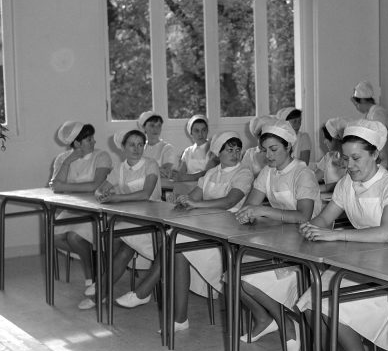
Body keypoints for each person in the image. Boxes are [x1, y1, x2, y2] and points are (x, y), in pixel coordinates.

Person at [297, 119, 388, 351]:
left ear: (375, 154)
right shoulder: (346, 183)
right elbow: (325, 218)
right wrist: (310, 228)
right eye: (345, 158)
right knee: (309, 306)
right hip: (361, 259)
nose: (348, 165)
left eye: (356, 158)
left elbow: (386, 233)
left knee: (336, 311)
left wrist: (336, 234)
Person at [114, 132, 254, 333]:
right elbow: (193, 197)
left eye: (238, 149)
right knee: (175, 243)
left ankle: (143, 291)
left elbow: (229, 202)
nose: (235, 154)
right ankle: (179, 319)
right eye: (229, 149)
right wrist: (181, 201)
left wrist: (196, 203)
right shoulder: (211, 174)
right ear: (218, 153)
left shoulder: (244, 172)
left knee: (175, 240)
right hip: (206, 228)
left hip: (228, 236)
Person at [234, 119, 322, 351]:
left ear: (289, 147)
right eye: (265, 150)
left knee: (246, 280)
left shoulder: (303, 173)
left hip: (307, 246)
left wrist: (264, 211)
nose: (268, 155)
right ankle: (267, 319)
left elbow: (303, 215)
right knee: (232, 277)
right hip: (279, 241)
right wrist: (250, 214)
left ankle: (286, 324)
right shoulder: (267, 172)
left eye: (274, 150)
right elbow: (249, 205)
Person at [78, 129, 161, 310]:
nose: (137, 148)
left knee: (120, 244)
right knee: (116, 241)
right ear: (123, 147)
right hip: (133, 220)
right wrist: (103, 194)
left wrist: (116, 198)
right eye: (132, 144)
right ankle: (103, 287)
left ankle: (101, 289)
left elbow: (146, 194)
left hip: (154, 222)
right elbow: (101, 189)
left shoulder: (150, 164)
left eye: (140, 144)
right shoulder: (120, 168)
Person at [50, 121, 112, 288]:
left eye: (92, 138)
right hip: (72, 209)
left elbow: (95, 185)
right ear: (77, 143)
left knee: (74, 237)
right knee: (51, 238)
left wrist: (64, 186)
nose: (94, 142)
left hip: (96, 209)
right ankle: (92, 256)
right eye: (89, 139)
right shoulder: (62, 159)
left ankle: (91, 277)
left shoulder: (102, 156)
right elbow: (56, 187)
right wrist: (67, 162)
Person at [350, 80, 388, 168]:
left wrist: (386, 163)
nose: (357, 106)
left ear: (363, 100)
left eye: (357, 103)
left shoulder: (377, 114)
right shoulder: (372, 113)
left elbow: (386, 141)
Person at [174, 115, 217, 182]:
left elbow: (209, 173)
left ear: (207, 131)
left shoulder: (214, 149)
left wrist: (190, 177)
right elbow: (181, 173)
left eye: (203, 130)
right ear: (191, 133)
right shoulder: (187, 151)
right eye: (196, 131)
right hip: (188, 187)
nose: (200, 134)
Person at [137, 111, 178, 179]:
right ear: (143, 127)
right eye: (152, 125)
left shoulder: (167, 148)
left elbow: (166, 172)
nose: (156, 129)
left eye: (159, 125)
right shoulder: (140, 148)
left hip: (162, 187)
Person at [315, 117, 348, 192]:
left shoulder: (350, 159)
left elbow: (344, 183)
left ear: (335, 139)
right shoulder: (328, 157)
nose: (324, 142)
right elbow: (314, 178)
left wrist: (321, 188)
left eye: (326, 138)